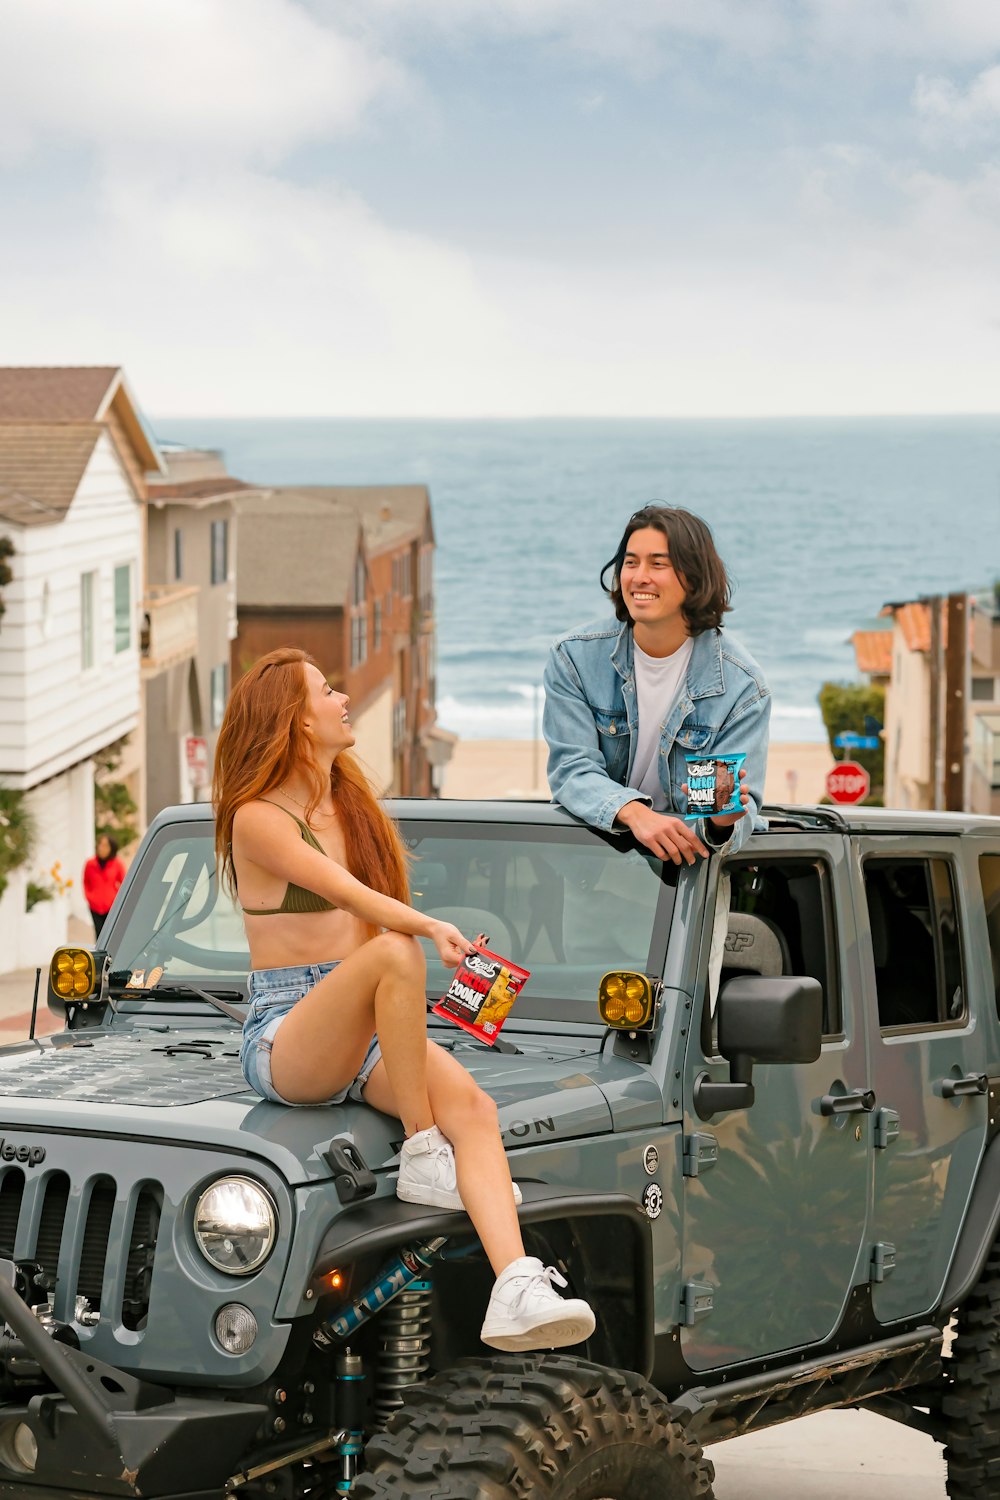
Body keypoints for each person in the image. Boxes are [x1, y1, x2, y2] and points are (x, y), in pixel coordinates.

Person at [213, 647, 595, 1353]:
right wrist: (423, 929)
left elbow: (374, 920)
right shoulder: (255, 817)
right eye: (326, 691)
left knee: (477, 1111)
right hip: (289, 1034)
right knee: (394, 951)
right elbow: (348, 896)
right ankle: (424, 1152)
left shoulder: (351, 806)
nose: (343, 698)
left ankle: (515, 1286)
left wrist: (451, 960)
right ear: (296, 723)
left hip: (362, 1031)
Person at [543, 505, 770, 861]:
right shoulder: (576, 658)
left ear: (694, 578)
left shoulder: (738, 686)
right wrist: (635, 813)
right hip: (590, 862)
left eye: (658, 564)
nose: (639, 577)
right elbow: (572, 769)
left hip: (683, 881)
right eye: (631, 563)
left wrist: (720, 823)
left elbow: (719, 820)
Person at [82, 834, 126, 938]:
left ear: (111, 848)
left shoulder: (117, 864)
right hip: (94, 906)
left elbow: (124, 883)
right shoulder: (90, 864)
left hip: (111, 906)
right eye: (100, 844)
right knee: (98, 934)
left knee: (110, 935)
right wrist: (89, 897)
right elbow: (85, 882)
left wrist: (116, 899)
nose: (101, 848)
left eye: (105, 845)